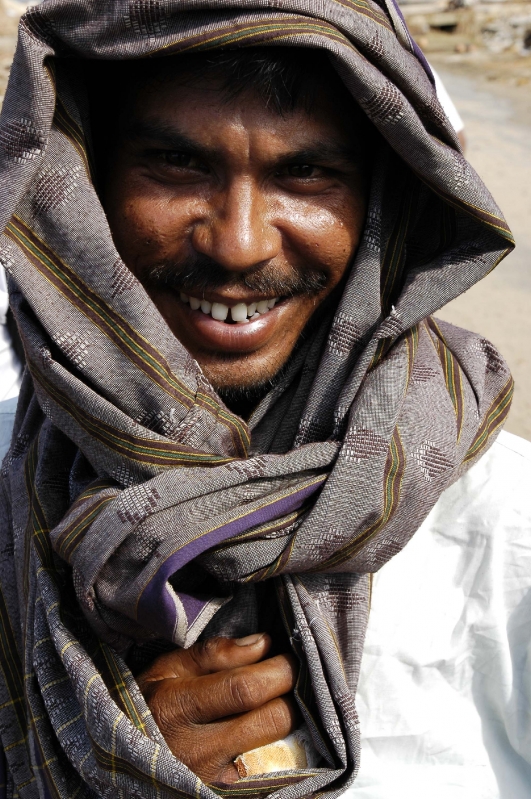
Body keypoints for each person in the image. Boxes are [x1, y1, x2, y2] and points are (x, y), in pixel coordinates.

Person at [0, 1, 522, 798]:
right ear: (81, 193)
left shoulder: (504, 529)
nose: (238, 243)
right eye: (175, 163)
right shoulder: (11, 473)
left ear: (386, 204)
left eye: (306, 173)